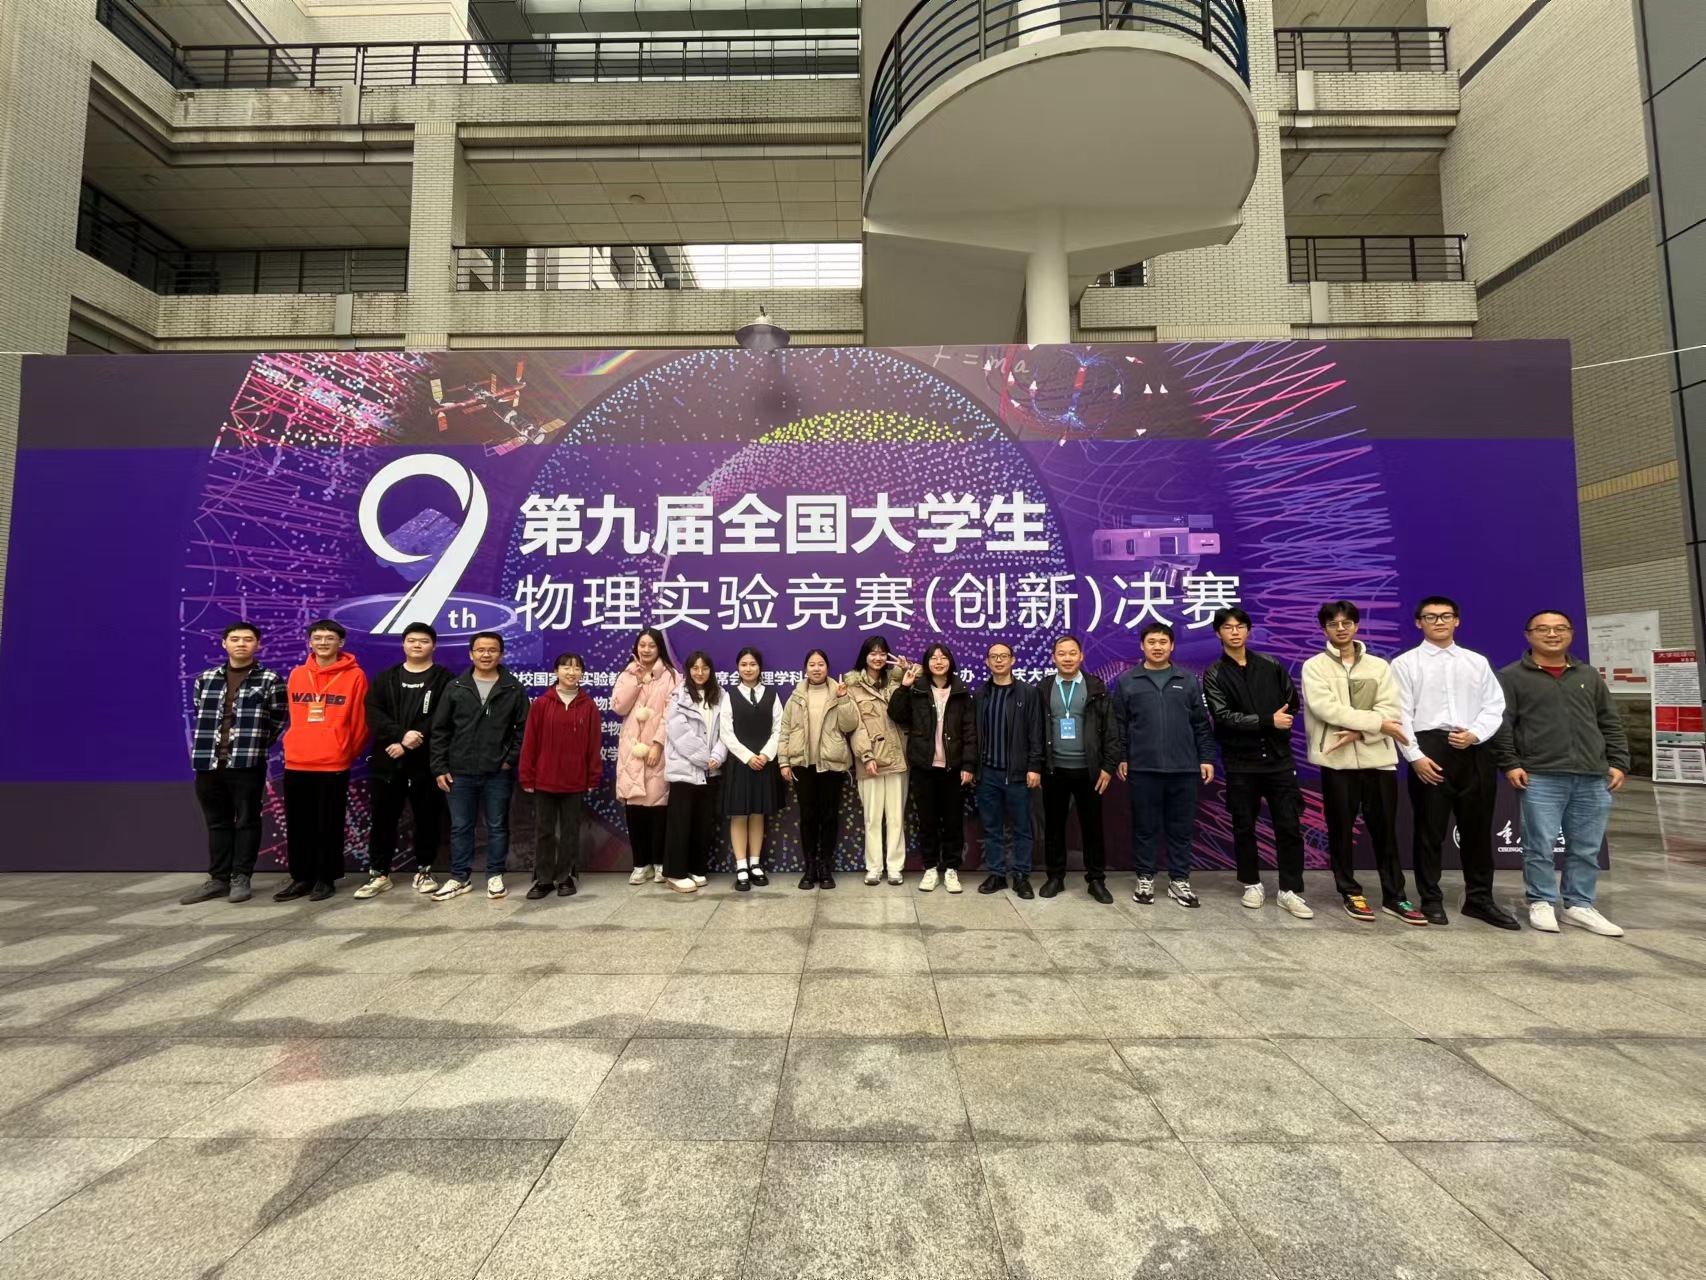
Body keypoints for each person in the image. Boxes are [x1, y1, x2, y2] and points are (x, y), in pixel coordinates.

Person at [1493, 610, 1630, 936]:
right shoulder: (1511, 676)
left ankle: (1578, 904)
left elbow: (1609, 720)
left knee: (1586, 846)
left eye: (1560, 629)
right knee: (1539, 845)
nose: (1552, 634)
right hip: (1540, 774)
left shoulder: (1588, 675)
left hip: (1591, 774)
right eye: (1543, 629)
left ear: (1570, 633)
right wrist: (1511, 763)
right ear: (1529, 635)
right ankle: (1541, 901)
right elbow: (1502, 725)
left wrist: (1618, 761)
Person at [1391, 596, 1518, 929]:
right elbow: (1400, 714)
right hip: (1430, 750)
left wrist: (1475, 734)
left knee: (1478, 831)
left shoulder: (1476, 662)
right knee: (1429, 831)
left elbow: (1495, 706)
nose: (1439, 622)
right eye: (1430, 617)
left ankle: (1479, 899)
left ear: (1457, 621)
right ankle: (1431, 899)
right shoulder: (1405, 664)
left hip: (1474, 750)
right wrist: (1415, 757)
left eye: (1445, 616)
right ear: (1418, 622)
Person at [1301, 602, 1427, 925]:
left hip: (1378, 759)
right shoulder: (1314, 667)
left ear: (1356, 626)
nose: (1341, 629)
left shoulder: (1379, 666)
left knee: (1386, 832)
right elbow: (1326, 708)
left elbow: (1391, 710)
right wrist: (1376, 724)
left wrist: (1362, 731)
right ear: (1324, 629)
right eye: (1333, 624)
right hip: (1336, 759)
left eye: (1347, 623)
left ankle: (1395, 896)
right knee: (1340, 830)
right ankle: (1349, 891)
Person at [1202, 608, 1312, 919]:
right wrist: (1266, 720)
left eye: (1240, 626)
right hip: (1241, 762)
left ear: (1248, 630)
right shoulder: (1214, 673)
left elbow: (1292, 703)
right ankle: (1252, 883)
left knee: (1289, 826)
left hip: (1278, 760)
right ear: (1218, 633)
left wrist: (1272, 720)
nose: (1235, 632)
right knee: (1243, 826)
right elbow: (1223, 716)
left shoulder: (1271, 664)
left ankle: (1290, 890)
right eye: (1228, 627)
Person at [181, 621, 288, 905]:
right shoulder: (206, 678)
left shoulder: (270, 679)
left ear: (257, 645)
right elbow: (200, 711)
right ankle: (219, 878)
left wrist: (254, 745)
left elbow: (279, 718)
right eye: (235, 639)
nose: (241, 643)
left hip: (247, 762)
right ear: (224, 643)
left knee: (247, 820)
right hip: (208, 762)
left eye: (248, 639)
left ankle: (242, 877)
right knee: (217, 822)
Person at [1113, 622, 1213, 909]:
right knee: (1144, 828)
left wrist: (1206, 758)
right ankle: (1145, 878)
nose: (1157, 647)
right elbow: (1119, 724)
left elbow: (1201, 724)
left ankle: (1179, 880)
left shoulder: (1188, 679)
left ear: (1172, 646)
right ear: (1142, 646)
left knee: (1181, 828)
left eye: (1163, 642)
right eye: (1152, 642)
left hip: (1184, 768)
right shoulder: (1128, 681)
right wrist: (1122, 757)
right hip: (1143, 768)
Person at [428, 631, 529, 902]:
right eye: (481, 650)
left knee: (497, 826)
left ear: (501, 654)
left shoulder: (513, 688)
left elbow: (523, 730)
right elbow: (440, 730)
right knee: (460, 827)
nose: (486, 655)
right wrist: (439, 767)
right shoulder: (456, 687)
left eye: (492, 650)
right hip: (459, 771)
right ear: (471, 653)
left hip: (497, 772)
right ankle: (459, 877)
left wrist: (509, 760)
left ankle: (495, 875)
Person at [356, 622, 452, 900]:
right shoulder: (386, 677)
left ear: (433, 645)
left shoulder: (444, 679)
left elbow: (444, 716)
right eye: (411, 640)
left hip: (426, 763)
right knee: (383, 819)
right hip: (388, 761)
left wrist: (411, 740)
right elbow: (373, 712)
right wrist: (400, 737)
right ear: (403, 644)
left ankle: (424, 870)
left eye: (423, 641)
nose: (417, 645)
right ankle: (379, 873)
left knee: (427, 818)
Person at [275, 619, 369, 902]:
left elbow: (360, 721)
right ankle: (301, 877)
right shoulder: (297, 674)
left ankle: (326, 879)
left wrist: (344, 751)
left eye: (330, 638)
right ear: (310, 642)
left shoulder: (355, 676)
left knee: (329, 824)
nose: (323, 642)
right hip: (297, 761)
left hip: (333, 762)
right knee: (298, 823)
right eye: (318, 638)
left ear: (341, 643)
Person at [1033, 634, 1119, 903]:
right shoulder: (1043, 688)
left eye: (1072, 653)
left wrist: (1108, 766)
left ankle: (1096, 880)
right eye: (1062, 654)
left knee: (1092, 827)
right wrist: (1037, 764)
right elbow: (1036, 730)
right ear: (1053, 658)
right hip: (1054, 769)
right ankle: (1055, 877)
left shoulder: (1096, 687)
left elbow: (1111, 729)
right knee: (1054, 827)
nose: (1067, 658)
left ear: (1081, 656)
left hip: (1089, 771)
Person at [888, 642, 978, 893]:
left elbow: (970, 732)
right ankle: (930, 868)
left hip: (953, 769)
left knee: (952, 822)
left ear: (950, 662)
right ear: (926, 663)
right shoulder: (917, 689)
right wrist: (904, 687)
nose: (939, 662)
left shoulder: (961, 692)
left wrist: (968, 764)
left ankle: (951, 869)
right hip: (924, 767)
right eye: (933, 658)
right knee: (926, 821)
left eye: (943, 657)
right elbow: (896, 714)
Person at [519, 651, 603, 900]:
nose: (571, 672)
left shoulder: (588, 706)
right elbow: (530, 742)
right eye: (566, 667)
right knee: (544, 831)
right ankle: (543, 879)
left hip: (575, 780)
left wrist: (592, 777)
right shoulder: (541, 704)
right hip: (544, 779)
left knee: (569, 831)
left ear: (582, 673)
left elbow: (594, 745)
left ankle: (565, 876)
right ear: (556, 671)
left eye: (576, 668)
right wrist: (527, 775)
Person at [778, 649, 857, 890]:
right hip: (803, 766)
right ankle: (810, 866)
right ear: (805, 669)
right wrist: (784, 761)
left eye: (821, 664)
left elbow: (850, 725)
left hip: (831, 764)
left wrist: (843, 699)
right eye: (812, 664)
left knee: (829, 817)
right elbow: (785, 730)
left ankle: (825, 866)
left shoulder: (838, 692)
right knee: (808, 817)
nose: (816, 668)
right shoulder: (796, 697)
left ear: (827, 668)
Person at [971, 640, 1041, 898]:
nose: (998, 660)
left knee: (1022, 827)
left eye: (1003, 656)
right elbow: (974, 735)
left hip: (1019, 773)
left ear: (1013, 660)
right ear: (987, 662)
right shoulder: (981, 694)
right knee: (992, 827)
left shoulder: (1028, 693)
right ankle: (997, 874)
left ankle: (1021, 876)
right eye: (993, 657)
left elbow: (1036, 732)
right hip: (988, 773)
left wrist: (1034, 766)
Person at [612, 627, 677, 885]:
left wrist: (658, 744)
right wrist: (637, 681)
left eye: (652, 645)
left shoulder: (672, 676)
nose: (646, 650)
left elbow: (671, 714)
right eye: (642, 645)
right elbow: (619, 707)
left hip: (659, 750)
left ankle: (660, 863)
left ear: (659, 648)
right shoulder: (627, 674)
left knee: (659, 808)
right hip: (631, 751)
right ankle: (640, 864)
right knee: (635, 809)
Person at [846, 635, 911, 886]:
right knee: (872, 819)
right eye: (873, 653)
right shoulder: (852, 686)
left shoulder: (896, 681)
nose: (878, 658)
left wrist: (906, 669)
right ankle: (873, 868)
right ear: (864, 656)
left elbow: (924, 680)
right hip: (870, 761)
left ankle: (895, 867)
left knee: (896, 818)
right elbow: (856, 727)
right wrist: (866, 756)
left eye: (883, 653)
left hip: (897, 759)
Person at [661, 651, 727, 893]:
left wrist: (718, 756)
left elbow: (726, 731)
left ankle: (696, 868)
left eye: (705, 668)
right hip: (685, 770)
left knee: (703, 823)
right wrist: (704, 758)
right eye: (695, 668)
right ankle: (675, 873)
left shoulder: (721, 695)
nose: (700, 673)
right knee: (680, 824)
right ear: (688, 671)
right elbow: (679, 733)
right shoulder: (678, 695)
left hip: (711, 771)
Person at [720, 646, 783, 891]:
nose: (748, 669)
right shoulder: (730, 696)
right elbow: (726, 732)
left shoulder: (772, 694)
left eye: (753, 664)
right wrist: (748, 757)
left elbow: (780, 728)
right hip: (740, 763)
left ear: (760, 667)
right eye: (744, 664)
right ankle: (741, 866)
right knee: (739, 814)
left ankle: (755, 863)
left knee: (758, 813)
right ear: (738, 668)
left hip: (765, 763)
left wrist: (765, 754)